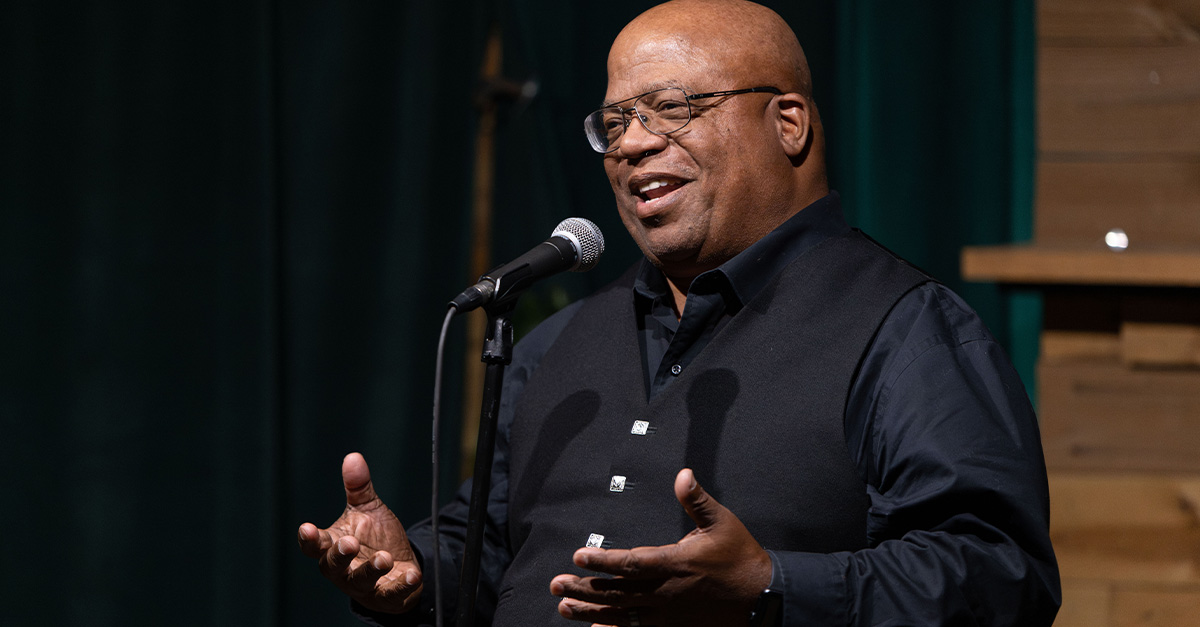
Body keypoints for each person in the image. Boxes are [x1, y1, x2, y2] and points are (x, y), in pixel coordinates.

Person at [297, 1, 1062, 625]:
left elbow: (999, 577)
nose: (631, 143)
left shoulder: (905, 330)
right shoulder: (558, 341)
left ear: (789, 123)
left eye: (670, 107)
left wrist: (769, 584)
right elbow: (492, 548)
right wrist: (415, 566)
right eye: (615, 121)